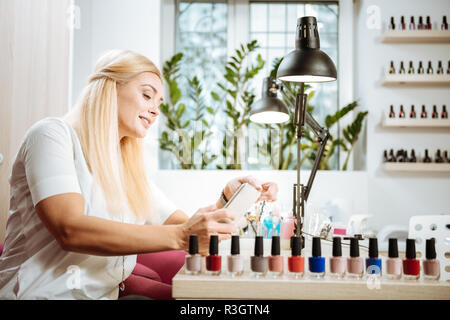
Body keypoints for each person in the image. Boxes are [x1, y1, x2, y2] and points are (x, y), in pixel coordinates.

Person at [0, 50, 278, 299]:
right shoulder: (51, 136)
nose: (155, 110)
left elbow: (187, 225)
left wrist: (227, 198)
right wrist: (181, 236)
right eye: (147, 95)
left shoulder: (123, 167)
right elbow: (70, 229)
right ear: (109, 88)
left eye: (158, 101)